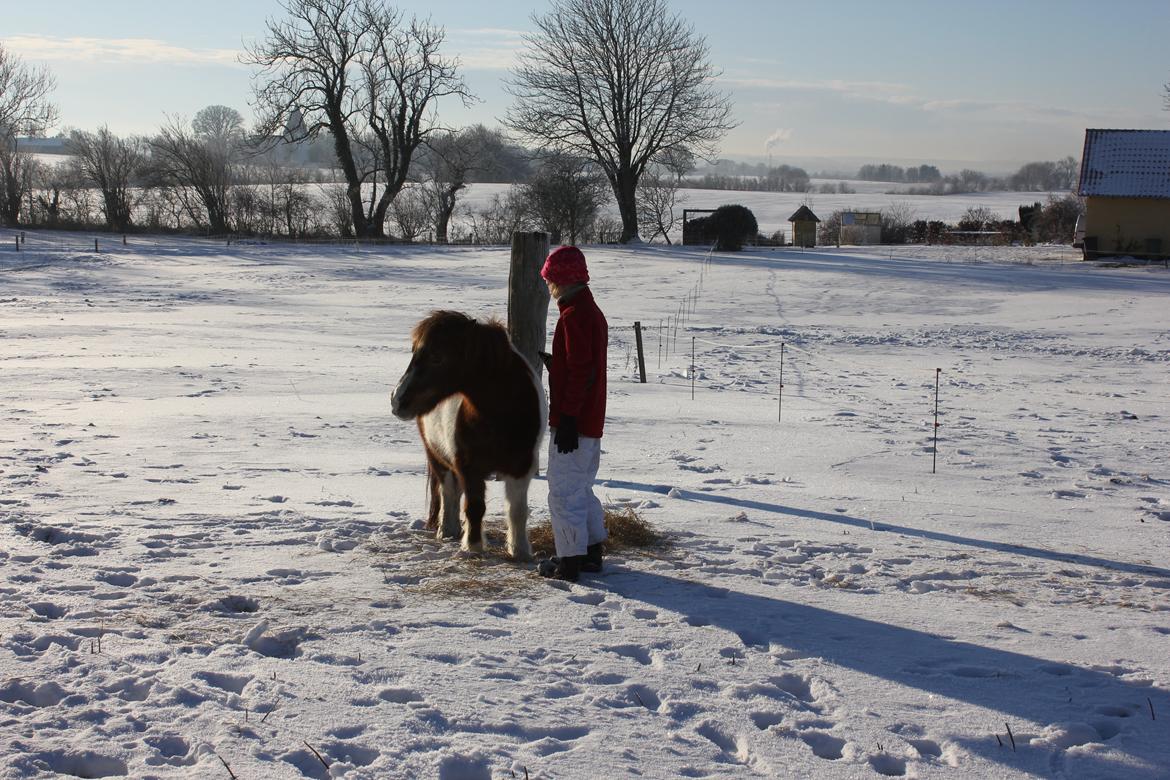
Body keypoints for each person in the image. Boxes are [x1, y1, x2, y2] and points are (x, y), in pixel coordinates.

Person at [537, 245, 608, 583]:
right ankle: (591, 551)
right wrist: (558, 366)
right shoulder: (589, 311)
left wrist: (567, 418)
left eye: (550, 279)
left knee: (563, 492)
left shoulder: (574, 315)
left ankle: (569, 561)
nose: (548, 285)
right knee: (580, 488)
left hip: (575, 424)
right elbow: (582, 365)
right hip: (589, 421)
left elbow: (583, 371)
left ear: (563, 279)